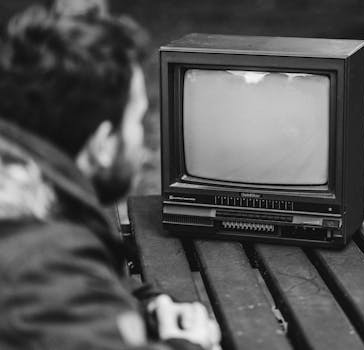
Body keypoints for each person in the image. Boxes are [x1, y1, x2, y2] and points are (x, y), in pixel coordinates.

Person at [0, 1, 221, 349]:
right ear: (102, 144)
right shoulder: (40, 266)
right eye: (137, 120)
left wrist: (145, 307)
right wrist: (188, 344)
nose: (143, 142)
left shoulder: (30, 193)